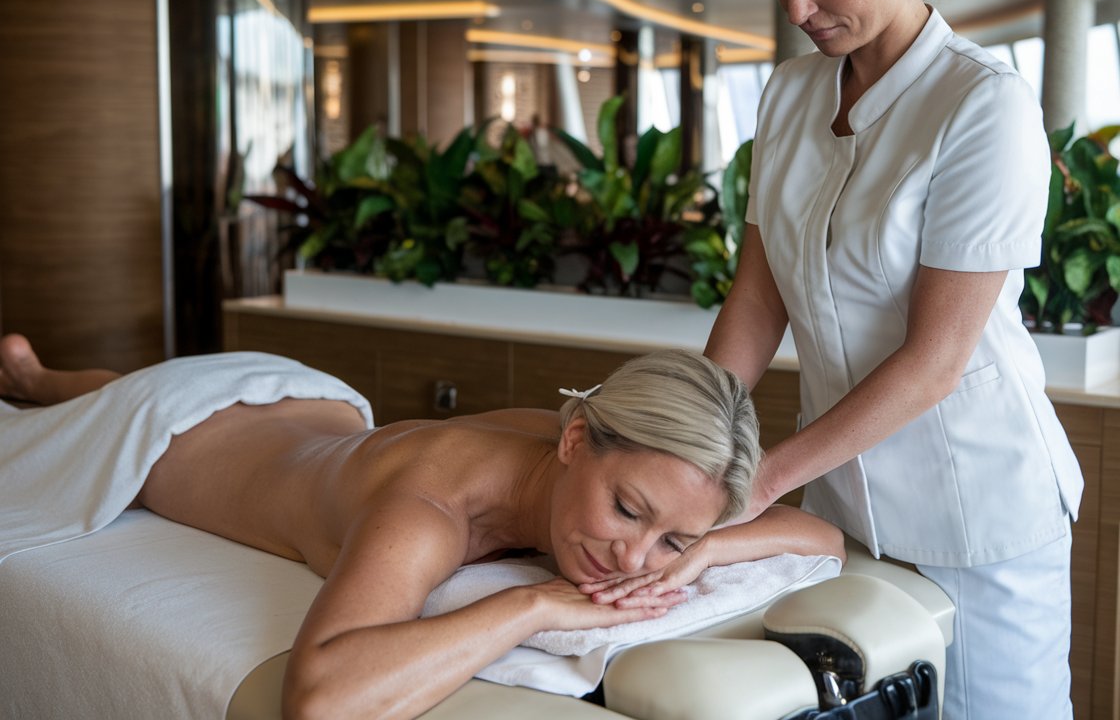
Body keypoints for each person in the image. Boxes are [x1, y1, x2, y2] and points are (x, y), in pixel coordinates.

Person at [675, 0, 1082, 717]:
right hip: (838, 506)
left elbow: (936, 360)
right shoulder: (788, 95)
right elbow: (758, 295)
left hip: (976, 511)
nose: (796, 7)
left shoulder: (982, 106)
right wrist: (687, 447)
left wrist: (762, 478)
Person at [0, 334, 843, 720]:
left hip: (311, 398)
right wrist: (534, 607)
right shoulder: (430, 513)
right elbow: (321, 699)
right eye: (627, 511)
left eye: (672, 536)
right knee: (99, 405)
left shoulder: (589, 453)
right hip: (182, 428)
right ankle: (40, 383)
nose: (632, 557)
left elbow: (823, 540)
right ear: (576, 440)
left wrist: (697, 556)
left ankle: (44, 377)